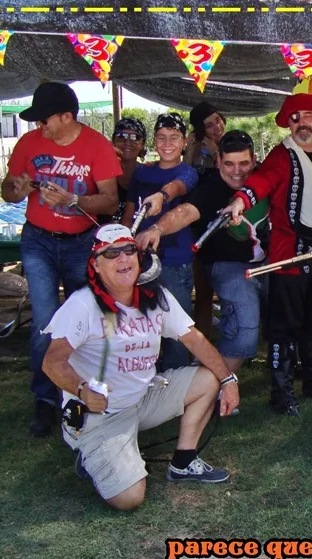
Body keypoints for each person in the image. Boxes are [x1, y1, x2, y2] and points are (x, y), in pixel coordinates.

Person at [42, 224, 240, 511]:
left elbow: (194, 340)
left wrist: (228, 380)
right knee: (130, 498)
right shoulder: (82, 304)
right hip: (102, 411)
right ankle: (92, 452)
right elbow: (52, 362)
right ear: (96, 265)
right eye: (111, 254)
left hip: (144, 397)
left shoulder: (155, 296)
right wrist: (82, 390)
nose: (123, 259)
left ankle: (183, 462)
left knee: (210, 378)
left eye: (128, 250)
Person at [2, 81, 121, 437]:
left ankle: (84, 393)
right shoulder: (28, 144)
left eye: (44, 120)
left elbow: (111, 200)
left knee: (85, 321)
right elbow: (8, 190)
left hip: (81, 243)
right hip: (37, 240)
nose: (39, 126)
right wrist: (16, 189)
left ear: (67, 117)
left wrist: (73, 200)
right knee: (45, 321)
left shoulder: (97, 146)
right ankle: (45, 398)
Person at [224, 93, 312, 416]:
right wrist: (240, 201)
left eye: (307, 115)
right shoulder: (282, 155)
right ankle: (281, 393)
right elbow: (261, 181)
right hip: (290, 251)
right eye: (295, 117)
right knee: (285, 324)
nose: (301, 123)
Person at [137, 130, 263, 375]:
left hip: (271, 262)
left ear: (254, 160)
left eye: (244, 163)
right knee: (244, 314)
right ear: (218, 161)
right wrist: (156, 229)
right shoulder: (211, 187)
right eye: (229, 163)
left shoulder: (264, 178)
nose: (237, 171)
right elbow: (185, 212)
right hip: (227, 265)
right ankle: (220, 384)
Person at [126, 113, 200, 371]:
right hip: (140, 260)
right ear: (154, 141)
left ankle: (179, 378)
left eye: (174, 137)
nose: (167, 144)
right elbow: (129, 212)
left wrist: (161, 195)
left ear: (184, 142)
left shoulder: (188, 172)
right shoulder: (141, 172)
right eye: (161, 137)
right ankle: (146, 378)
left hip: (175, 262)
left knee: (177, 326)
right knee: (143, 324)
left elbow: (180, 186)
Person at [104, 117, 147, 224]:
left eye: (135, 137)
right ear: (113, 141)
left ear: (142, 144)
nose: (128, 142)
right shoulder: (103, 172)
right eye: (121, 136)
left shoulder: (148, 174)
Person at [185, 102, 226, 176]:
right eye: (209, 126)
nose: (217, 127)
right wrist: (189, 151)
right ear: (202, 132)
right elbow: (185, 178)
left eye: (218, 120)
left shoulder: (234, 143)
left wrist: (215, 153)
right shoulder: (198, 153)